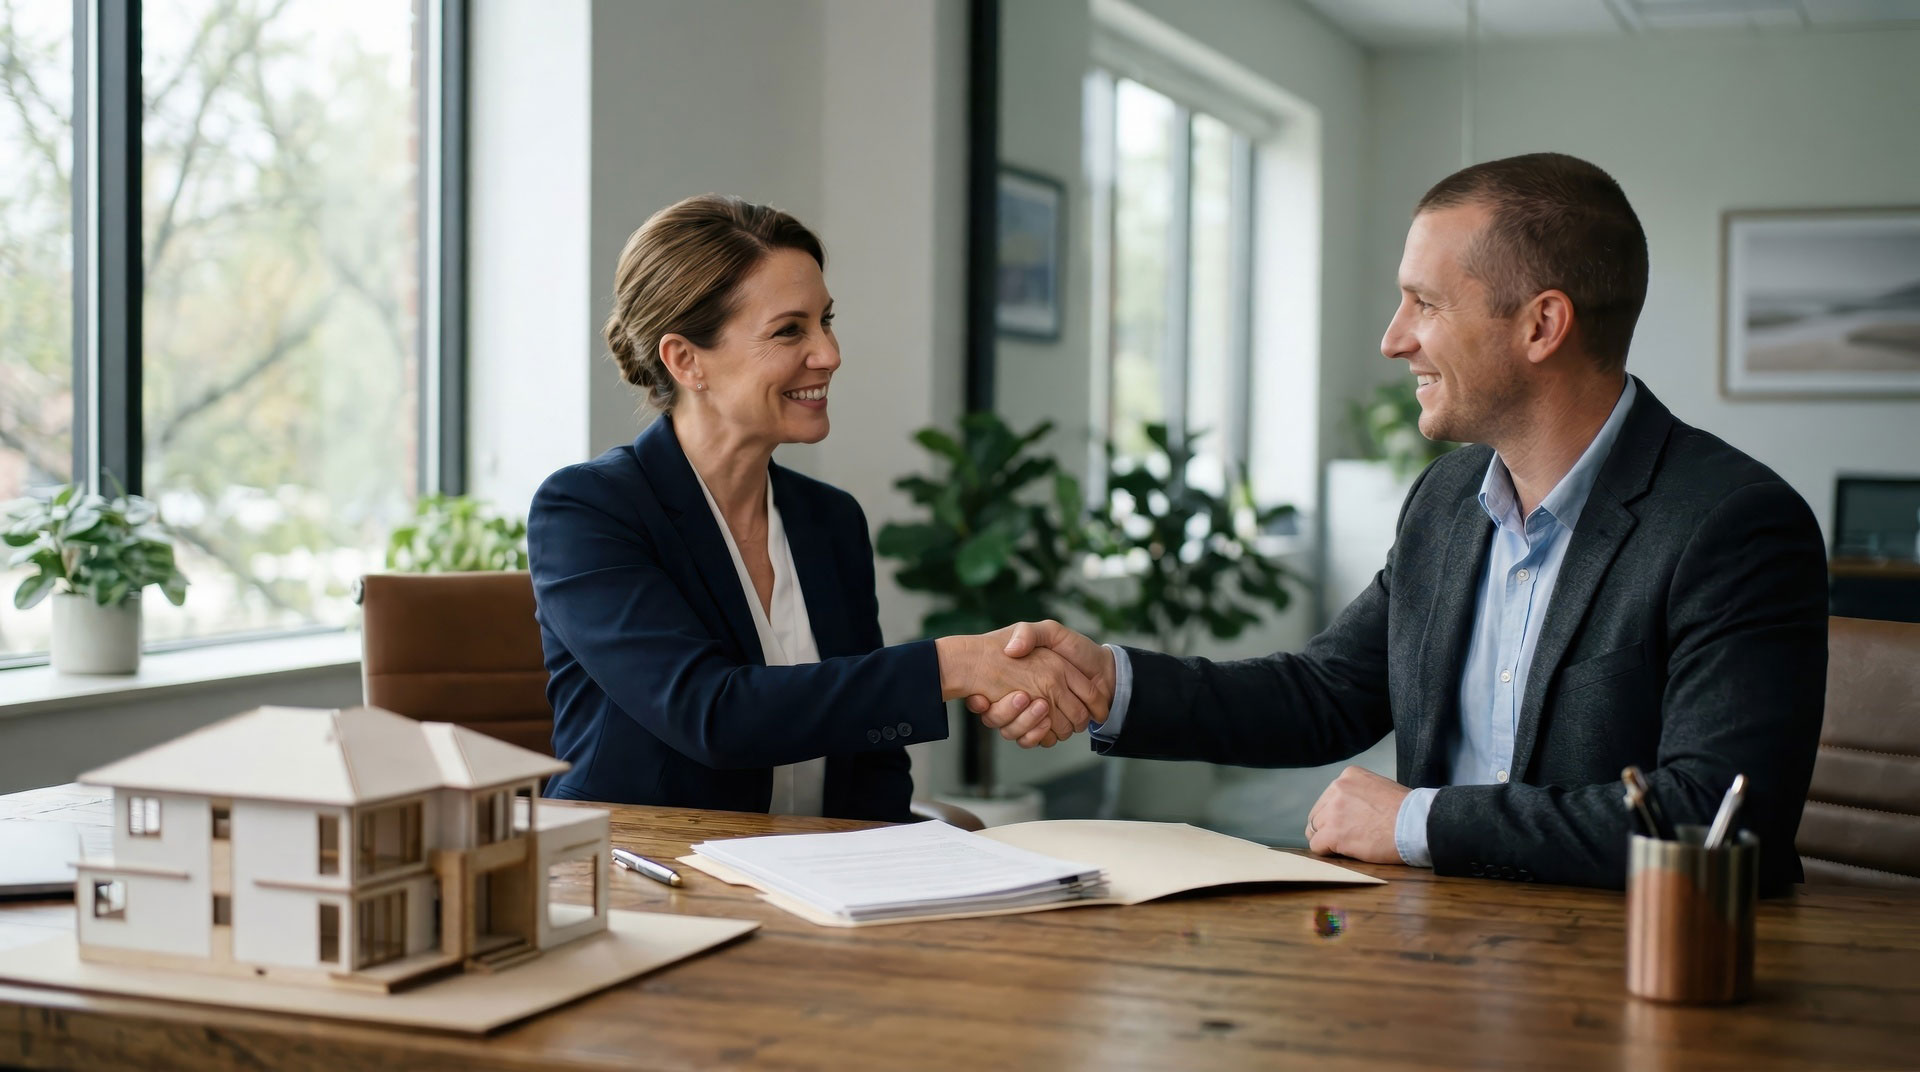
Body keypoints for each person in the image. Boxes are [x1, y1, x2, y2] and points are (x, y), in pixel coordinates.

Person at [973, 153, 1827, 892]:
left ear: (1542, 325)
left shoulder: (1734, 525)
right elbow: (1326, 694)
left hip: (1627, 967)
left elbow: (1712, 820)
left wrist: (1417, 821)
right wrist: (1107, 684)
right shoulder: (1446, 501)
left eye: (1424, 302)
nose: (1392, 339)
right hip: (1438, 953)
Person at [528, 194, 1098, 820]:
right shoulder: (588, 510)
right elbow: (711, 713)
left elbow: (873, 760)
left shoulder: (829, 520)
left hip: (822, 882)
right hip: (649, 880)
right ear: (686, 360)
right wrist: (956, 664)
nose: (828, 353)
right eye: (789, 330)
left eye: (826, 320)